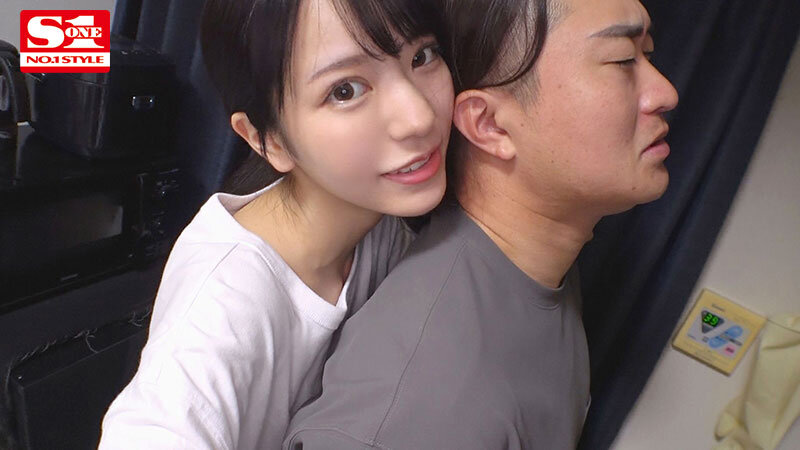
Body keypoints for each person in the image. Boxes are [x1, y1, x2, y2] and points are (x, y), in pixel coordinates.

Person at [283, 0, 679, 448]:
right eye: (622, 60)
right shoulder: (420, 396)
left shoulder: (540, 274)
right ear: (490, 125)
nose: (665, 93)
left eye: (647, 53)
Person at [98, 0, 454, 448]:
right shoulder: (225, 304)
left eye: (422, 56)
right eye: (345, 90)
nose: (419, 117)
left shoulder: (377, 218)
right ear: (266, 140)